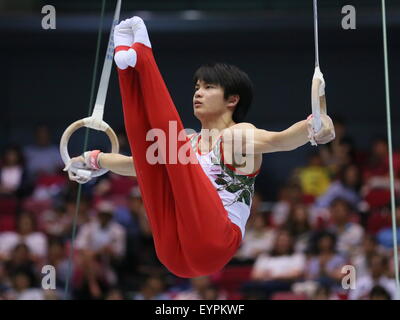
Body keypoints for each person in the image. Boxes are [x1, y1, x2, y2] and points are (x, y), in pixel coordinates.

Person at [64, 16, 335, 278]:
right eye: (196, 87)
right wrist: (95, 159)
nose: (198, 93)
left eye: (208, 87)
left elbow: (281, 140)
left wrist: (315, 126)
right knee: (157, 161)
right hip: (172, 254)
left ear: (232, 100)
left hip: (216, 241)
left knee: (170, 141)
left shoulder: (238, 135)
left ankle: (143, 61)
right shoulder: (188, 144)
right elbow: (140, 167)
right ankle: (128, 70)